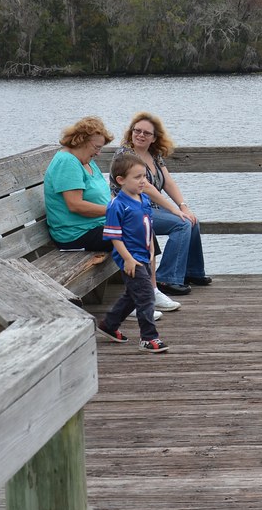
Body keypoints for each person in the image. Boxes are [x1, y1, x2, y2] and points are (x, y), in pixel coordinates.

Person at [112, 112, 210, 309]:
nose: (140, 135)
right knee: (181, 223)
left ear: (154, 137)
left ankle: (191, 272)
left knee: (191, 220)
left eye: (146, 133)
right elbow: (146, 187)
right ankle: (167, 278)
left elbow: (168, 182)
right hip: (132, 211)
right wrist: (175, 211)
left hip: (150, 208)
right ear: (131, 132)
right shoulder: (125, 155)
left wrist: (184, 206)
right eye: (136, 131)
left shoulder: (154, 154)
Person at [96, 155, 168, 353]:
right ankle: (148, 337)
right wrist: (127, 258)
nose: (143, 181)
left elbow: (148, 225)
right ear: (121, 180)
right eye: (137, 177)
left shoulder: (143, 199)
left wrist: (152, 249)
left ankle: (109, 325)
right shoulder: (117, 205)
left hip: (144, 254)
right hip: (130, 258)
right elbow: (114, 237)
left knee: (131, 295)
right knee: (146, 296)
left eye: (144, 176)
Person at [43, 116, 114, 251]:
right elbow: (75, 205)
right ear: (82, 141)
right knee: (134, 233)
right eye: (97, 147)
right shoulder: (67, 162)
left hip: (95, 225)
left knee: (141, 226)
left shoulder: (86, 160)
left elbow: (103, 193)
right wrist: (115, 211)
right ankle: (145, 272)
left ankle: (152, 273)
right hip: (76, 234)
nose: (99, 153)